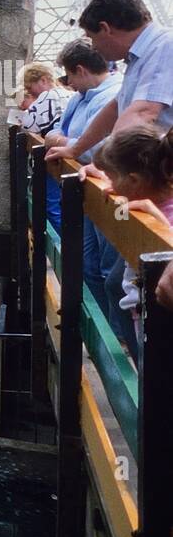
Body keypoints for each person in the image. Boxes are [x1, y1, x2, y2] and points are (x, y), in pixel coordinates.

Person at [45, 0, 173, 169]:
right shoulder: (141, 55)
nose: (94, 47)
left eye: (92, 38)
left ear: (105, 29)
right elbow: (114, 109)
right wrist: (76, 150)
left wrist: (106, 165)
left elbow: (143, 112)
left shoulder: (164, 47)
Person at [45, 39, 123, 315]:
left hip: (107, 193)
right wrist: (68, 141)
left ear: (79, 70)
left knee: (110, 271)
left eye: (68, 77)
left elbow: (98, 151)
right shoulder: (80, 99)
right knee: (88, 264)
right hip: (83, 192)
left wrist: (68, 142)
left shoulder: (110, 95)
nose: (68, 84)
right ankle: (96, 326)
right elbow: (54, 134)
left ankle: (117, 340)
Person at [93, 125, 173, 361]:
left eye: (112, 177)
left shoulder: (164, 214)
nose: (110, 184)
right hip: (142, 315)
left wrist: (161, 229)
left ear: (134, 180)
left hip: (158, 328)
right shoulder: (147, 200)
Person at [17, 62, 68, 229]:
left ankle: (62, 249)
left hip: (53, 157)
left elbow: (28, 125)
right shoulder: (70, 95)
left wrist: (20, 118)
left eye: (29, 87)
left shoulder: (48, 96)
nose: (29, 91)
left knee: (51, 207)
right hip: (70, 157)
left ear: (43, 80)